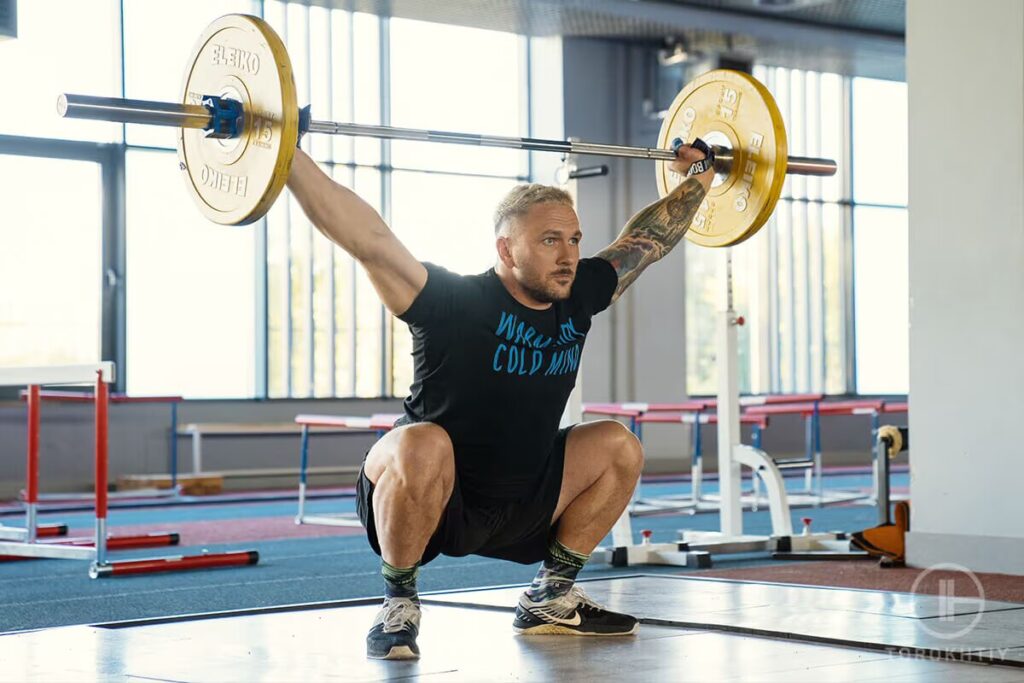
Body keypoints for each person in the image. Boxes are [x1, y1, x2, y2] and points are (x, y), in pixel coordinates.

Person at [286, 137, 715, 660]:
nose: (569, 256)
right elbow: (367, 239)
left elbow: (646, 241)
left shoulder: (577, 294)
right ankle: (399, 604)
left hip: (521, 502)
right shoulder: (452, 302)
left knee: (617, 446)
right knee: (418, 442)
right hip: (434, 498)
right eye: (550, 240)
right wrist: (286, 153)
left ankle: (550, 597)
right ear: (507, 249)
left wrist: (700, 177)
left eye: (575, 239)